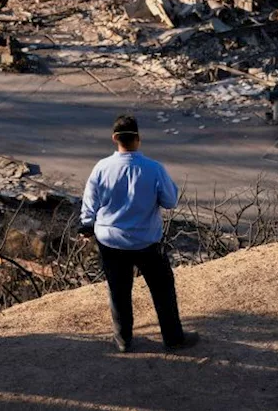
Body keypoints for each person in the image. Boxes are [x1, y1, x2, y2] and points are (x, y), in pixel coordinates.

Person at [80, 114, 198, 353]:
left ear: (115, 139)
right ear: (139, 139)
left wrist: (86, 225)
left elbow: (89, 203)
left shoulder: (102, 168)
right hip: (146, 241)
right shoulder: (154, 169)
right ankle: (174, 338)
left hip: (110, 240)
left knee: (119, 290)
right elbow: (170, 201)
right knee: (162, 288)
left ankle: (123, 339)